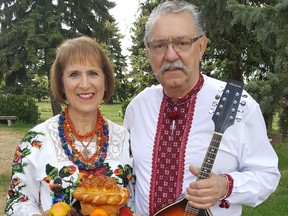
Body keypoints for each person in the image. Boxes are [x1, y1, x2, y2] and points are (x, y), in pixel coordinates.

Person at [123, 1, 280, 215]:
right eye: (159, 45)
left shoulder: (240, 105)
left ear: (201, 46)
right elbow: (129, 177)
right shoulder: (138, 108)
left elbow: (267, 174)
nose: (170, 55)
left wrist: (225, 186)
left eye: (182, 43)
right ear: (148, 52)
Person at [5, 36, 135, 215]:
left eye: (93, 73)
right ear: (61, 84)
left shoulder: (124, 138)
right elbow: (17, 201)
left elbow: (134, 201)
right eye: (74, 74)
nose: (84, 84)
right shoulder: (36, 140)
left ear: (105, 81)